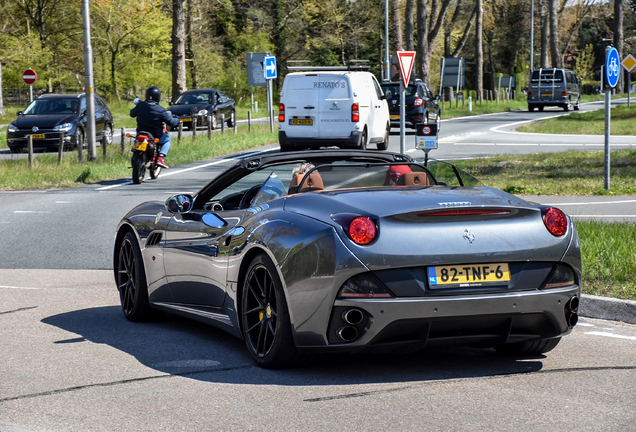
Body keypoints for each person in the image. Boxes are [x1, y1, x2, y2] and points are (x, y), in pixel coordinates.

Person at [130, 86, 180, 169]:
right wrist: (178, 120)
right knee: (167, 140)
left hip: (141, 132)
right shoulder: (160, 109)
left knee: (137, 139)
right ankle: (160, 158)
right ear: (158, 97)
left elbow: (132, 114)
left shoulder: (140, 106)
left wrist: (138, 107)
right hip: (155, 135)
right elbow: (171, 122)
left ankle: (135, 152)